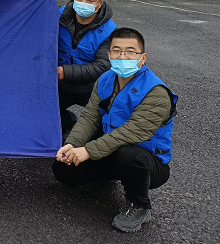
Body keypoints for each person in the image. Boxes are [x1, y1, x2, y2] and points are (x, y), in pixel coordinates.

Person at [53, 28, 176, 233]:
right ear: (109, 55)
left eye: (130, 52)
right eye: (117, 51)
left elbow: (132, 132)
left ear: (143, 58)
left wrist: (88, 151)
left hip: (147, 162)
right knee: (63, 171)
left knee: (128, 154)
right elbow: (90, 116)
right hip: (112, 149)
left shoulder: (156, 92)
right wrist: (72, 144)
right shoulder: (105, 79)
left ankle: (140, 205)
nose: (123, 57)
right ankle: (111, 173)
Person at [58, 0, 117, 138]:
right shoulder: (56, 16)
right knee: (40, 114)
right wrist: (43, 1)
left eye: (90, 0)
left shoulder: (110, 31)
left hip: (90, 86)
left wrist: (64, 71)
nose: (83, 3)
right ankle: (68, 122)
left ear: (100, 4)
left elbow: (102, 66)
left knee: (104, 120)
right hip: (57, 84)